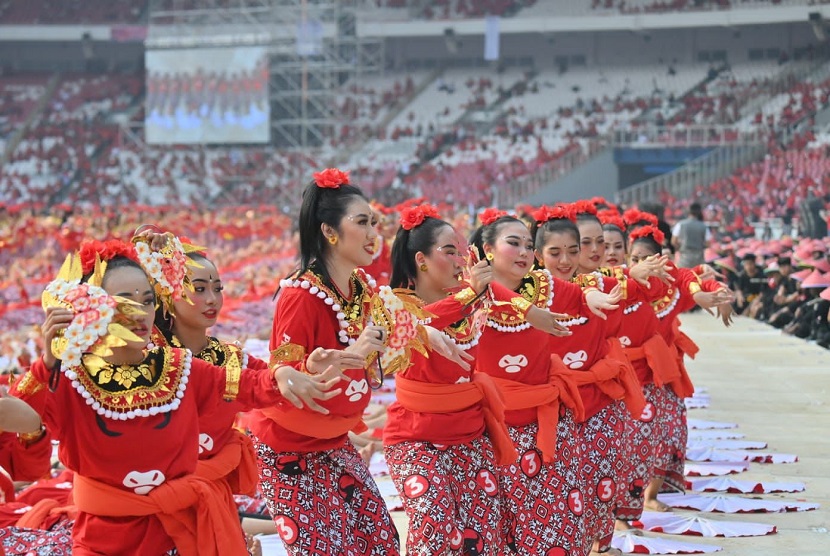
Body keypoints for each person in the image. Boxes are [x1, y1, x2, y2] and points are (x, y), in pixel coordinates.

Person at [23, 239, 336, 556]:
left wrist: (290, 372)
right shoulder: (68, 380)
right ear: (92, 309)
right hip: (104, 543)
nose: (140, 313)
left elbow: (255, 384)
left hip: (181, 535)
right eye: (124, 302)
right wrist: (46, 365)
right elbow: (23, 451)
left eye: (146, 301)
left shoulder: (178, 369)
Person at [247, 169, 401, 556]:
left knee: (380, 541)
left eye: (375, 223)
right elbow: (283, 377)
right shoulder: (301, 295)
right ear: (330, 232)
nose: (373, 234)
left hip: (333, 441)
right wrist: (348, 359)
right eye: (362, 222)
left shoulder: (362, 289)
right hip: (287, 450)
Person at [471, 209, 620, 556]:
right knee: (501, 523)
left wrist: (590, 298)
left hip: (546, 426)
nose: (524, 252)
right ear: (488, 249)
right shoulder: (472, 293)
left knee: (560, 517)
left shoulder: (544, 287)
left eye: (527, 245)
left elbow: (578, 295)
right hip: (493, 428)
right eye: (514, 244)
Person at [383, 203, 515, 555]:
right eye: (449, 251)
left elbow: (515, 294)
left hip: (470, 438)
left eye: (462, 252)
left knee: (483, 539)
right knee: (433, 523)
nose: (460, 260)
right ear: (422, 260)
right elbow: (416, 322)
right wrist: (469, 294)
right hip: (415, 439)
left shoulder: (472, 301)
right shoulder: (397, 306)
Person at [671, 203, 709, 268]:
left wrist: (679, 248)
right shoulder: (704, 226)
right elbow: (708, 243)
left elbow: (673, 241)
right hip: (699, 259)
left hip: (684, 258)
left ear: (689, 212)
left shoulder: (680, 224)